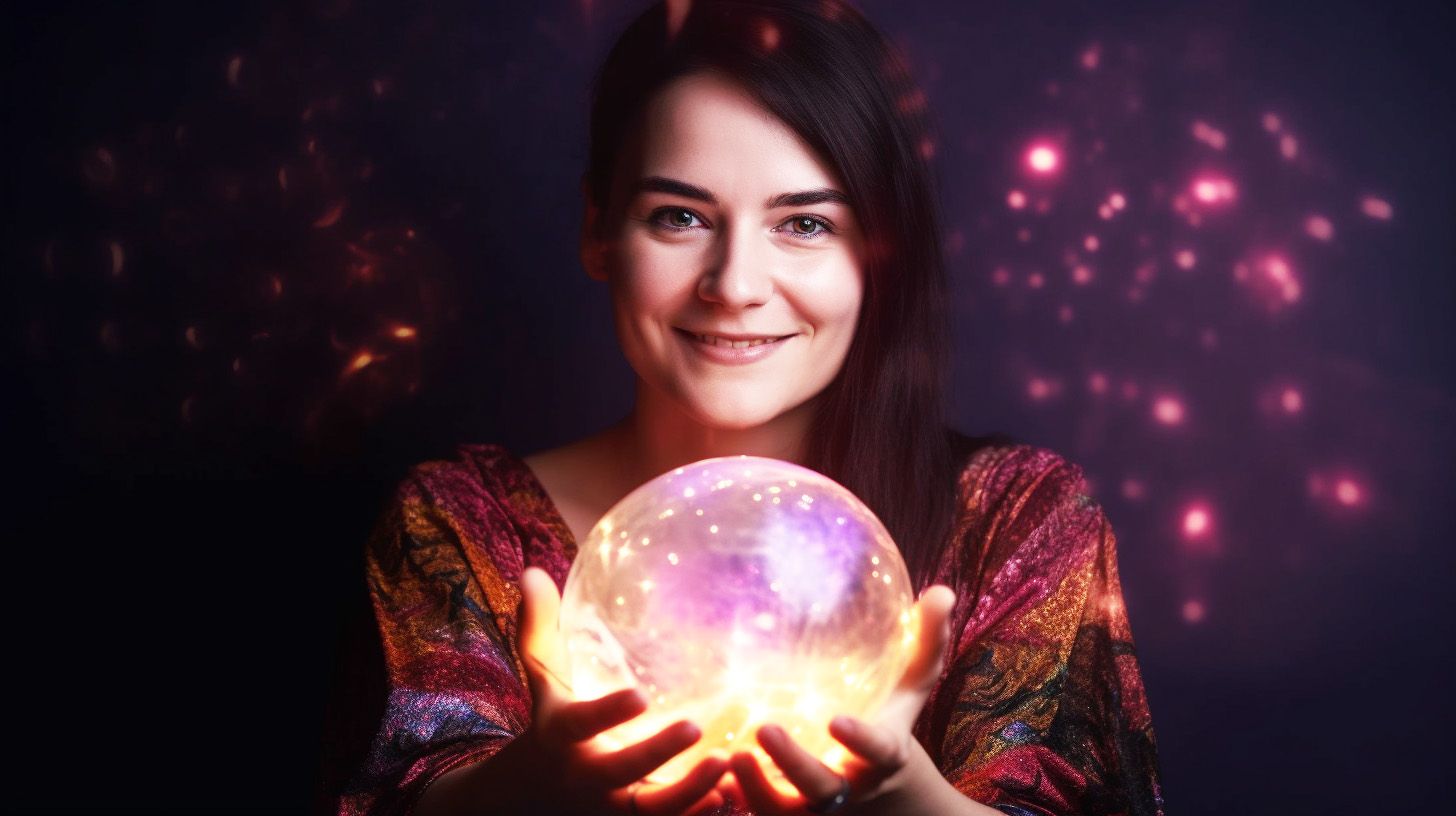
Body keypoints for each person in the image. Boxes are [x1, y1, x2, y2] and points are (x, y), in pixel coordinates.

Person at [333, 1, 1164, 814]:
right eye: (681, 217)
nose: (733, 286)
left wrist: (905, 801)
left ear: (882, 255)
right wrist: (532, 788)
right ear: (599, 229)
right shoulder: (458, 528)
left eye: (803, 225)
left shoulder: (1019, 521)